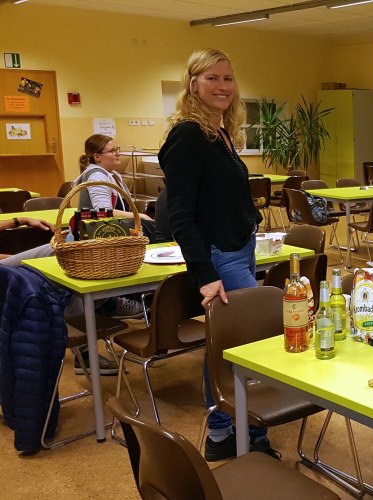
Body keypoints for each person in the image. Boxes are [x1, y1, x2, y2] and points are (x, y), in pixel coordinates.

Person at [158, 48, 273, 462]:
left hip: (240, 247)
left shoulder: (220, 133)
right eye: (212, 78)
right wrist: (204, 274)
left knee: (226, 343)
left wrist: (250, 221)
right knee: (249, 340)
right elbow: (180, 216)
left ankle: (224, 432)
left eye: (228, 78)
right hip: (218, 255)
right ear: (193, 84)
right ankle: (241, 431)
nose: (222, 86)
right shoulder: (187, 136)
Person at [72, 134, 153, 320]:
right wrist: (139, 216)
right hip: (95, 238)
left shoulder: (113, 175)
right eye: (112, 151)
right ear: (97, 157)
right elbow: (103, 212)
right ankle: (112, 303)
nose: (118, 153)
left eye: (118, 149)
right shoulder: (96, 175)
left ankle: (138, 297)